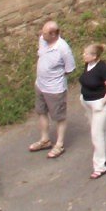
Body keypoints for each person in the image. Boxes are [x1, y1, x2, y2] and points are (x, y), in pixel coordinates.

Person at [29, 20, 75, 159]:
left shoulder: (63, 49)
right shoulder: (43, 40)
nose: (42, 35)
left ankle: (59, 144)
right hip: (40, 85)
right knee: (41, 112)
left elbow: (69, 68)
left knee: (59, 117)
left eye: (45, 33)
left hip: (55, 89)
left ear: (54, 34)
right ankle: (45, 139)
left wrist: (54, 78)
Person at [78, 43, 106, 180]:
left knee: (96, 133)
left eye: (86, 54)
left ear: (94, 56)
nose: (83, 55)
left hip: (100, 105)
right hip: (88, 103)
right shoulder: (88, 65)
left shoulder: (102, 68)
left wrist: (102, 103)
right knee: (103, 129)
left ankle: (99, 166)